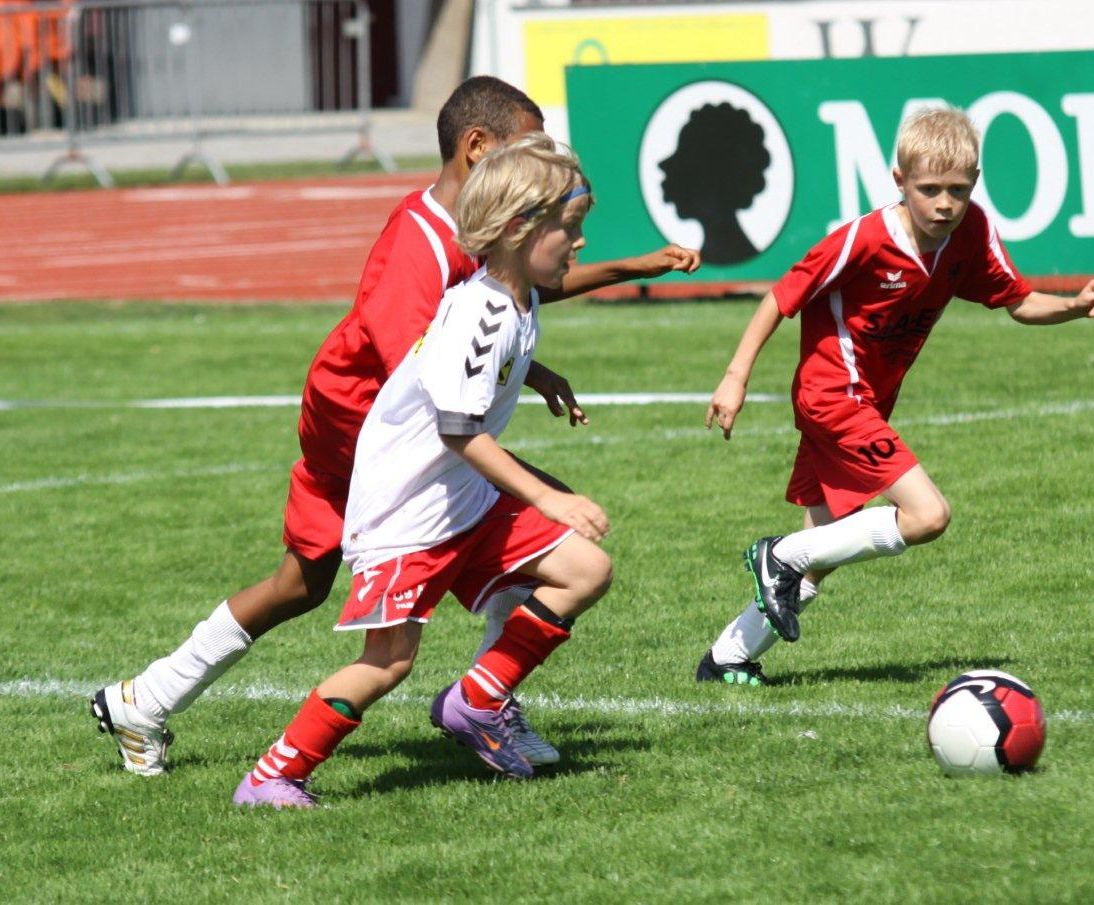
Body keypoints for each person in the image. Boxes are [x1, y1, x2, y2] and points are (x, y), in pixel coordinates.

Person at [91, 76, 699, 776]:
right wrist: (535, 451)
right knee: (529, 526)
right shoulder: (420, 241)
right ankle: (480, 702)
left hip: (394, 427)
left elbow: (515, 294)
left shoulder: (480, 230)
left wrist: (619, 284)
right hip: (362, 427)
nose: (538, 168)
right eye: (525, 150)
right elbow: (418, 357)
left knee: (302, 583)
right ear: (479, 150)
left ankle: (146, 698)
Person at [233, 134, 608, 808]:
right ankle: (273, 776)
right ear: (520, 229)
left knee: (586, 570)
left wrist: (538, 375)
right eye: (569, 230)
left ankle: (478, 699)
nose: (579, 244)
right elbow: (459, 428)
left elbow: (475, 376)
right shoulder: (484, 311)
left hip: (460, 496)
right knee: (389, 662)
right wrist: (548, 496)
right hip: (411, 511)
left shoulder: (510, 296)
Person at [695, 107, 1094, 685]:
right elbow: (781, 297)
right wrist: (736, 376)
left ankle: (726, 658)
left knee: (823, 552)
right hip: (834, 396)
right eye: (929, 189)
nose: (944, 203)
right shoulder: (863, 239)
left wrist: (1072, 304)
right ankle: (778, 555)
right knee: (927, 514)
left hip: (867, 401)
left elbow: (1018, 301)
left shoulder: (971, 233)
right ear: (899, 181)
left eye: (958, 190)